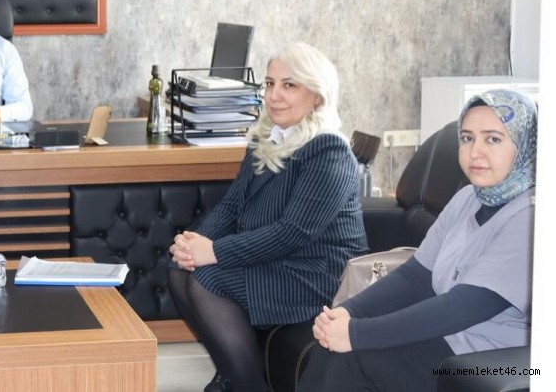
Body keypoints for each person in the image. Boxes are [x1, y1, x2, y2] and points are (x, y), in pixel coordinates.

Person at [298, 89, 536, 392]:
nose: (475, 152)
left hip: (493, 357)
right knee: (328, 349)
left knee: (352, 360)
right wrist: (348, 311)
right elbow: (416, 276)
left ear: (525, 144)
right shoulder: (467, 198)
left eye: (493, 139)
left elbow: (464, 307)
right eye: (467, 138)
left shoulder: (533, 216)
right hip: (450, 338)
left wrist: (355, 334)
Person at [167, 42, 367, 392]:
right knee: (179, 270)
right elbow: (231, 206)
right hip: (278, 261)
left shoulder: (329, 150)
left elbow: (293, 233)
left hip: (315, 273)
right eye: (270, 84)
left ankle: (247, 385)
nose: (274, 96)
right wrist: (192, 244)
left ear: (316, 96)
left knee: (206, 280)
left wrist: (213, 252)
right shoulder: (266, 138)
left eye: (289, 85)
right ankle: (232, 375)